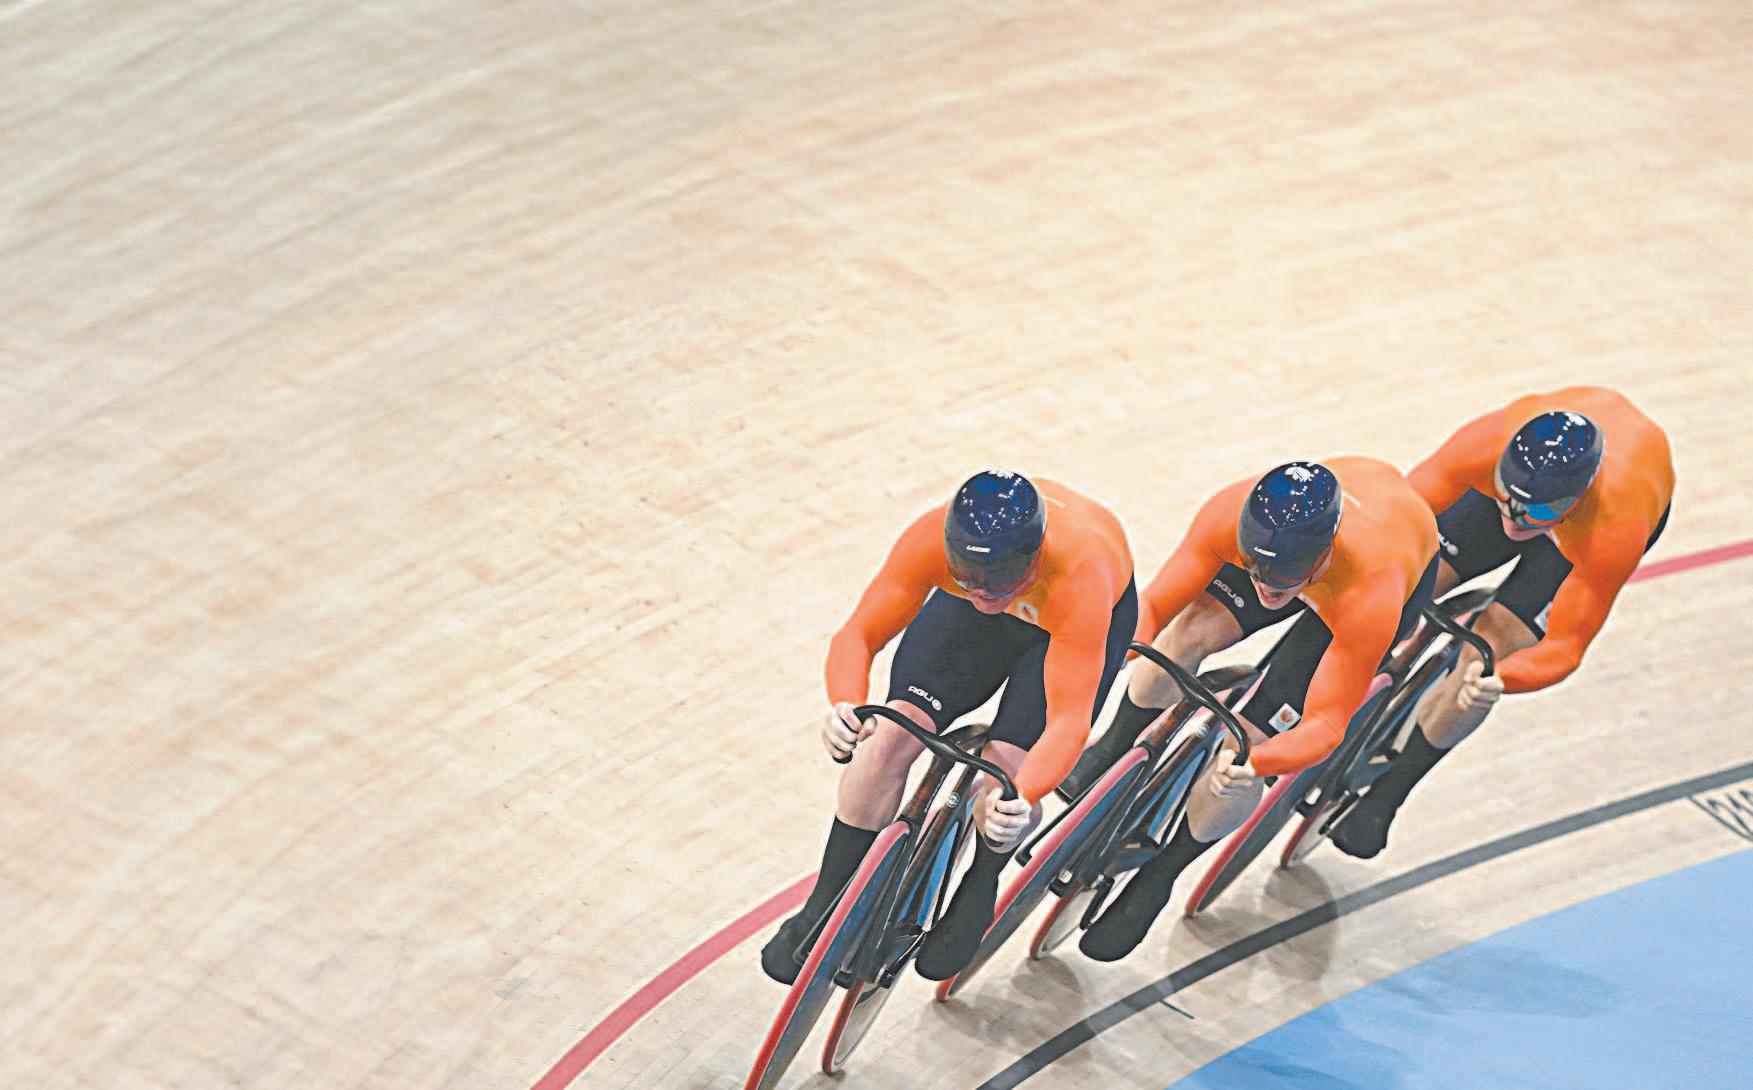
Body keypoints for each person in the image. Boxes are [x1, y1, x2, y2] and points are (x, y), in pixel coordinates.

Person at [760, 470, 1138, 984]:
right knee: (885, 742)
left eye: (999, 579)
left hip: (1065, 626)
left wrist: (1023, 796)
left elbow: (1069, 720)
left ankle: (980, 882)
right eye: (969, 577)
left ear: (1033, 557)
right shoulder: (933, 545)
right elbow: (859, 633)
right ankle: (822, 908)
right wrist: (845, 706)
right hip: (980, 616)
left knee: (1003, 783)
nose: (984, 592)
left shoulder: (1080, 577)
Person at [1068, 458, 1438, 961]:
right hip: (1317, 550)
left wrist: (1257, 763)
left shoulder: (1372, 590)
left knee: (1250, 740)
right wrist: (1117, 653)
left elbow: (1326, 723)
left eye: (1281, 577)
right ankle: (1116, 746)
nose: (1264, 585)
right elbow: (1152, 609)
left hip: (1368, 576)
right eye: (1254, 567)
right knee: (1185, 635)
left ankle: (1162, 874)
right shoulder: (1229, 516)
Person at [1329, 388, 1674, 859]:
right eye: (1509, 498)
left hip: (1585, 534)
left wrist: (1503, 679)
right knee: (1403, 583)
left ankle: (1387, 797)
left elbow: (1567, 647)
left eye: (1538, 512)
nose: (1517, 519)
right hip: (1518, 493)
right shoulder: (1486, 446)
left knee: (1485, 655)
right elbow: (1400, 519)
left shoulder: (1615, 526)